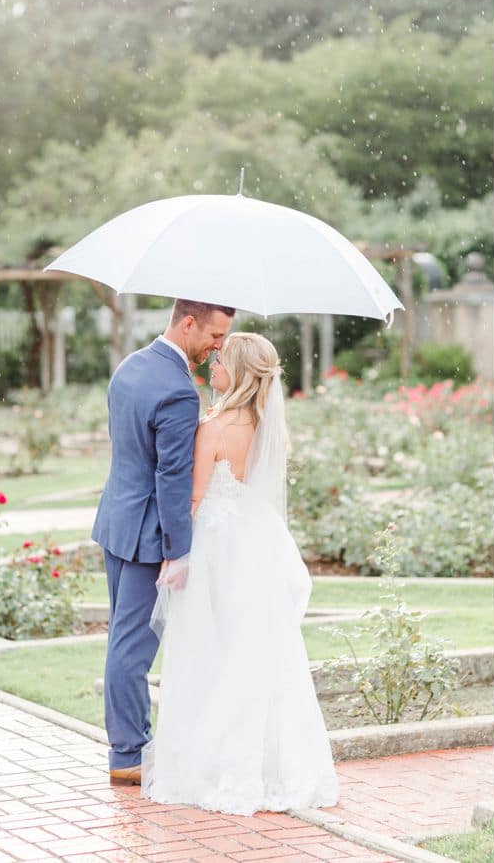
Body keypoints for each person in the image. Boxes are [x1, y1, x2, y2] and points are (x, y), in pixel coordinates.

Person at [141, 332, 339, 815]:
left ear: (240, 371)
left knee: (209, 651)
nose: (213, 366)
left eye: (221, 361)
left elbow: (192, 497)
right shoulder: (266, 425)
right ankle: (275, 769)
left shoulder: (214, 427)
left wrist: (176, 553)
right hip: (257, 546)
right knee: (260, 654)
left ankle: (216, 767)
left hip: (216, 548)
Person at [93, 298, 234, 787]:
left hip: (115, 521)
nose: (219, 347)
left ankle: (130, 743)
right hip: (148, 536)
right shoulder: (177, 390)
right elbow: (172, 476)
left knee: (121, 639)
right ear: (188, 323)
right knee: (132, 649)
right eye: (215, 336)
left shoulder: (129, 367)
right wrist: (180, 548)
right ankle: (128, 753)